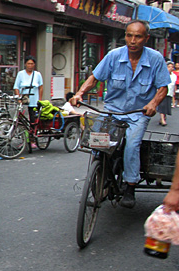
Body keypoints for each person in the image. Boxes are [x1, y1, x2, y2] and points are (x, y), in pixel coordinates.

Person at [71, 20, 170, 208]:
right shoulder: (114, 56)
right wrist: (79, 93)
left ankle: (130, 185)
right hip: (112, 110)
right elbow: (94, 78)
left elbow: (163, 87)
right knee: (97, 142)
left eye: (138, 36)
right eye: (129, 35)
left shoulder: (155, 58)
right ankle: (100, 174)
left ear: (146, 38)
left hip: (138, 113)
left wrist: (153, 104)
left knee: (132, 144)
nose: (132, 40)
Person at [13, 56, 44, 124]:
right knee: (22, 117)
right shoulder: (20, 74)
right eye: (28, 63)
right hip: (24, 99)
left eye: (32, 64)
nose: (30, 66)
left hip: (34, 100)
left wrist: (40, 99)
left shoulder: (37, 74)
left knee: (33, 118)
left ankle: (32, 132)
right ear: (25, 64)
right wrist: (19, 98)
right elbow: (16, 87)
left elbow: (41, 87)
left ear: (34, 65)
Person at [157, 61, 176, 126]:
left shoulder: (174, 76)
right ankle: (162, 119)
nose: (170, 68)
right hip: (162, 92)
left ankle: (163, 117)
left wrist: (174, 92)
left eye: (172, 67)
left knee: (166, 106)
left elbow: (174, 84)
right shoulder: (162, 74)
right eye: (169, 67)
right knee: (162, 105)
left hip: (170, 92)